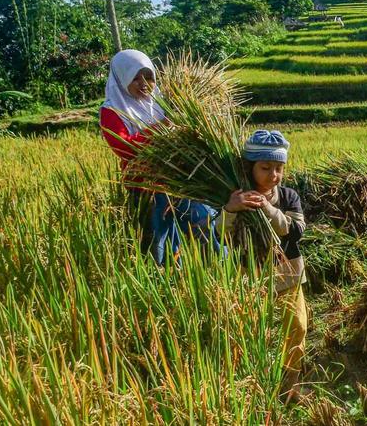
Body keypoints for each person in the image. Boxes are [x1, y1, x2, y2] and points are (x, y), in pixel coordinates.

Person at [100, 49, 221, 264]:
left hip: (180, 180)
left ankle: (221, 269)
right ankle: (168, 284)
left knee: (203, 223)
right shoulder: (112, 110)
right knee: (159, 242)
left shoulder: (164, 103)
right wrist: (161, 129)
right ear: (121, 79)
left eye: (148, 76)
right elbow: (124, 147)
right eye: (135, 78)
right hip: (146, 187)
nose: (143, 83)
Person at [223, 130, 309, 400]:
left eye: (279, 168)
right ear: (250, 167)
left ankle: (289, 387)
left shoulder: (288, 196)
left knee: (297, 327)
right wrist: (230, 210)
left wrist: (269, 210)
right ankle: (250, 384)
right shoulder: (235, 197)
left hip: (287, 274)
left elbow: (296, 230)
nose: (273, 175)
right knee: (247, 328)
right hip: (249, 274)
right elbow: (220, 235)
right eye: (266, 168)